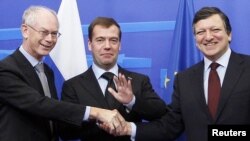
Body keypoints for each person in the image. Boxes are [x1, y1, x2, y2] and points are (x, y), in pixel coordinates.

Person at [106, 6, 250, 141]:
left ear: (229, 34)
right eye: (200, 32)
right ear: (195, 40)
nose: (208, 37)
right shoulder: (184, 79)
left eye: (215, 30)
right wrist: (128, 128)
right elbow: (170, 126)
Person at [0, 6, 125, 141]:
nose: (50, 39)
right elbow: (39, 104)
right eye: (44, 32)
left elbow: (54, 118)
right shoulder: (6, 69)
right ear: (25, 31)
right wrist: (96, 112)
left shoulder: (47, 71)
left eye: (54, 33)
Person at [58, 17, 167, 141]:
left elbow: (161, 113)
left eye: (113, 40)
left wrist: (131, 101)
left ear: (119, 45)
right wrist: (98, 119)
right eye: (100, 40)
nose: (107, 46)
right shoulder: (73, 86)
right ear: (90, 44)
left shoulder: (139, 81)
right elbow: (65, 132)